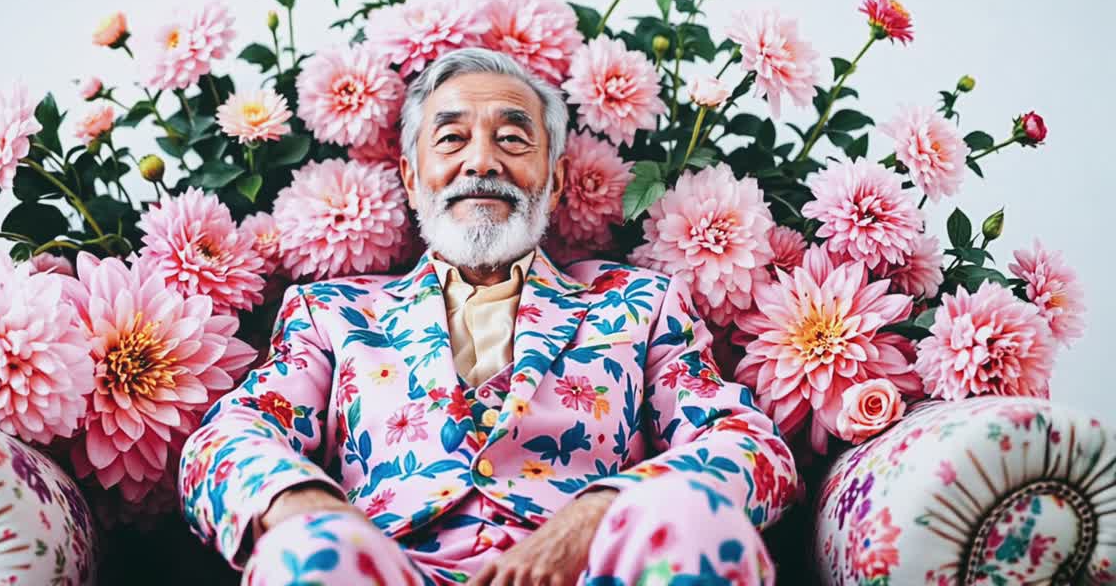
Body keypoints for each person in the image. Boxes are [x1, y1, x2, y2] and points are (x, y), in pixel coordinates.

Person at [179, 47, 799, 585]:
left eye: (512, 138)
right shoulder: (330, 313)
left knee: (696, 514)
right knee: (305, 547)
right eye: (451, 139)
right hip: (384, 570)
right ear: (412, 176)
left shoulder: (640, 303)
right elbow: (224, 441)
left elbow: (749, 446)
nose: (482, 163)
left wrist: (595, 515)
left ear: (554, 183)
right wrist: (316, 511)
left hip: (593, 571)